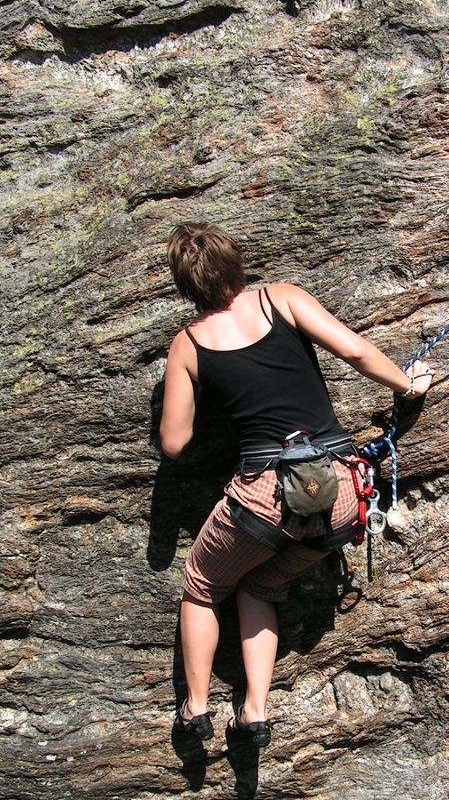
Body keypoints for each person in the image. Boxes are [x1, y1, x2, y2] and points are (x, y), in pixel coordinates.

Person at [160, 222, 432, 748]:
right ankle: (254, 714)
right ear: (237, 262)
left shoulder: (188, 345)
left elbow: (174, 442)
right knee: (261, 585)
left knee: (202, 584)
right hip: (342, 490)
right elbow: (353, 352)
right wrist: (408, 384)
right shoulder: (282, 299)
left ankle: (196, 712)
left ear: (184, 285)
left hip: (264, 498)